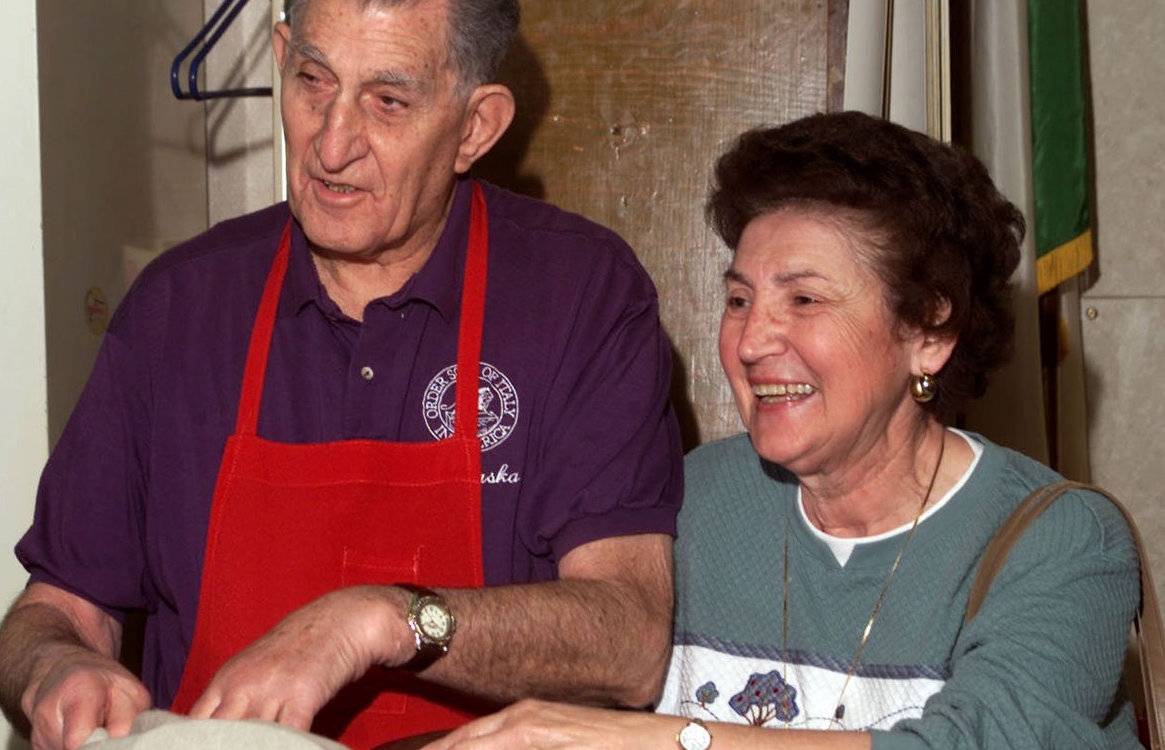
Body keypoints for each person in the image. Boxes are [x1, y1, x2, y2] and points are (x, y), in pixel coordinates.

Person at [0, 0, 683, 750]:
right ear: (281, 58)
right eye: (313, 80)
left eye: (388, 102)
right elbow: (55, 609)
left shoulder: (580, 297)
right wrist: (58, 665)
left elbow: (628, 639)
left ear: (475, 127)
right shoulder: (178, 309)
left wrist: (380, 620)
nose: (331, 142)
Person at [424, 111, 1142, 749]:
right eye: (739, 299)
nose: (751, 339)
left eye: (803, 299)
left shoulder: (1062, 539)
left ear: (928, 331)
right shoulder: (683, 501)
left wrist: (663, 740)